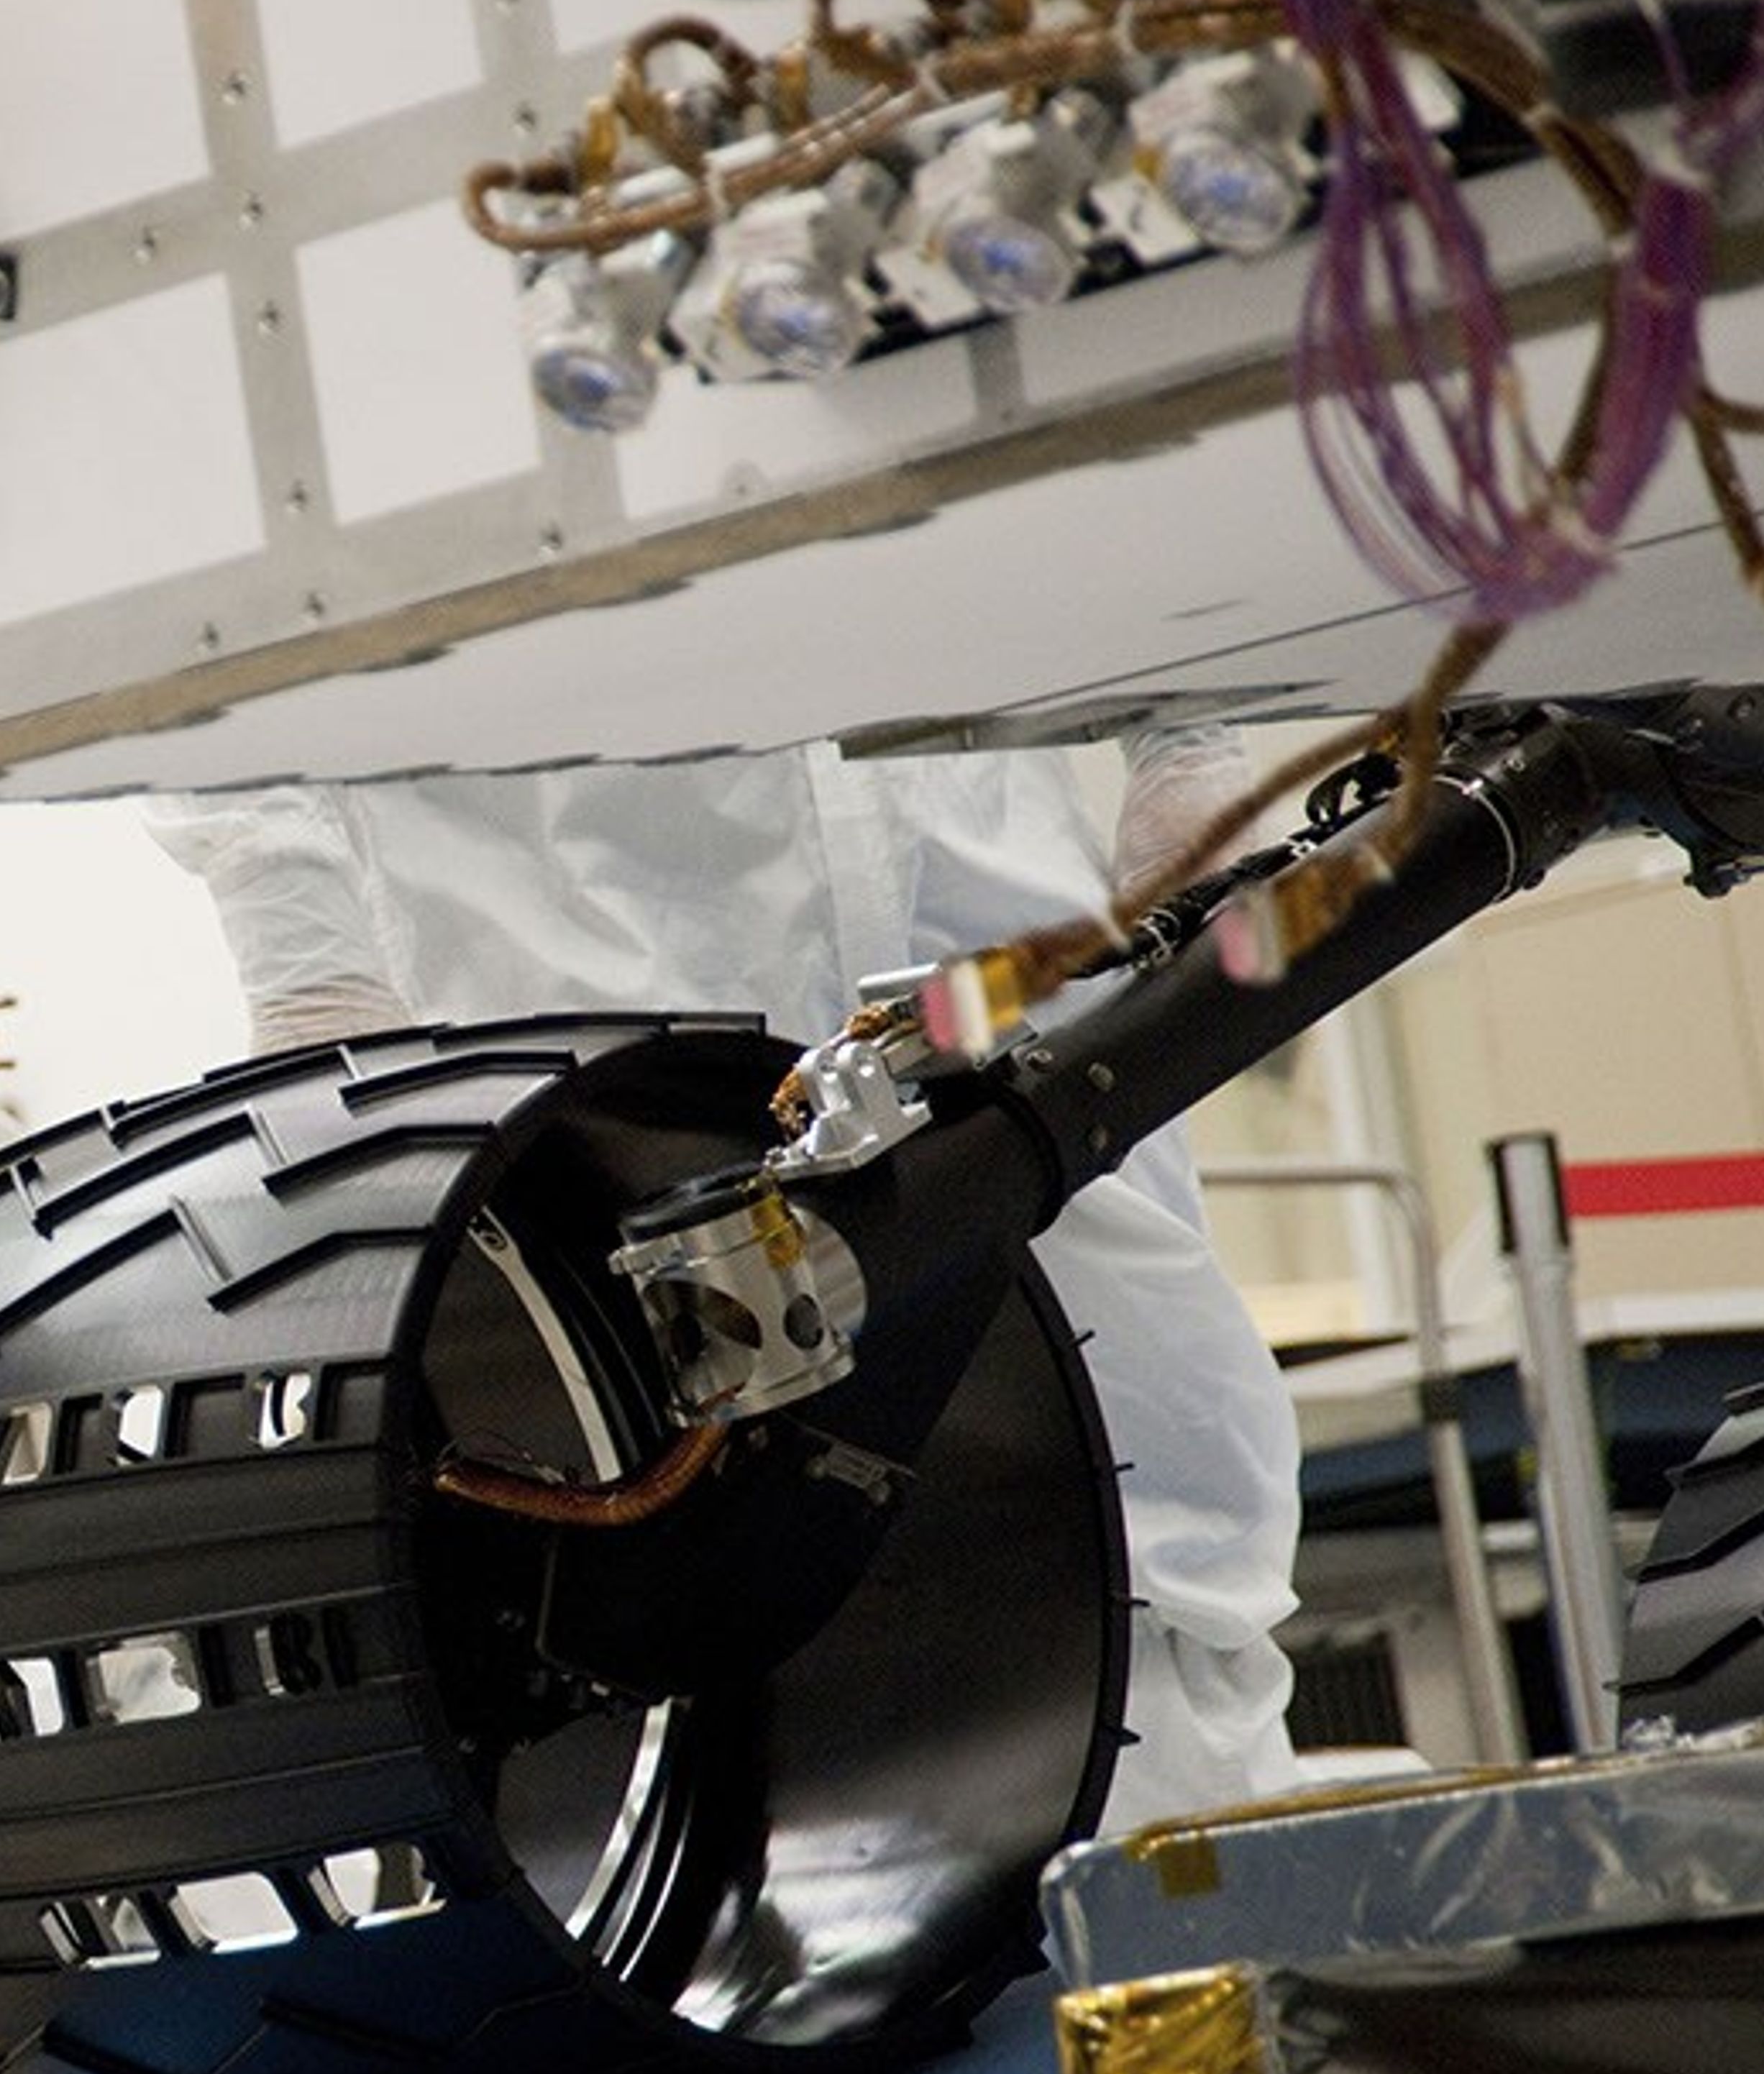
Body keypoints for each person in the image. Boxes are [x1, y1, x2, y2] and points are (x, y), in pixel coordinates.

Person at [140, 736, 1303, 1837]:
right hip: (587, 963)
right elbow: (196, 570)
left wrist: (1184, 743)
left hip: (997, 928)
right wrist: (299, 935)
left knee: (1163, 1471)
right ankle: (795, 1970)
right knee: (685, 1581)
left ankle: (1182, 1961)